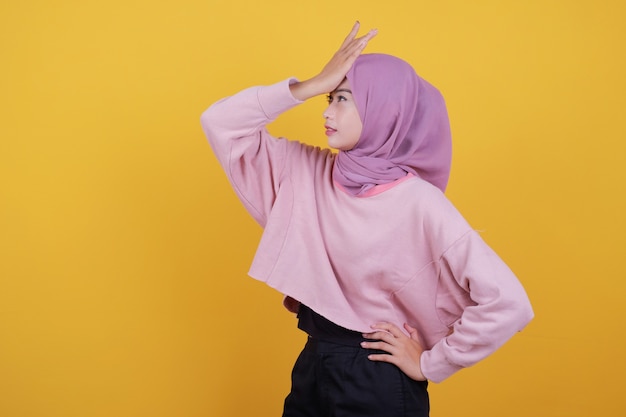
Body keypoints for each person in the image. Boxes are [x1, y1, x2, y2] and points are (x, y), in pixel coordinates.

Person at [200, 22, 533, 417]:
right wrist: (308, 85)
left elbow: (509, 302)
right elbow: (218, 123)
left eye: (343, 98)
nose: (327, 110)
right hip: (314, 362)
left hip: (377, 378)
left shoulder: (419, 203)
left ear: (384, 109)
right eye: (329, 97)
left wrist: (431, 363)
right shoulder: (304, 171)